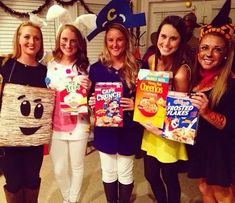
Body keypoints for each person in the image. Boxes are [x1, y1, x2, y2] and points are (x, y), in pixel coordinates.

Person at [88, 23, 144, 203]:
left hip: (129, 129)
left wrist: (136, 104)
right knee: (108, 170)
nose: (115, 44)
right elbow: (90, 97)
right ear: (106, 42)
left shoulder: (138, 67)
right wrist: (91, 102)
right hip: (105, 129)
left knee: (126, 171)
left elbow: (151, 100)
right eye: (110, 40)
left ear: (126, 41)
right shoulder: (96, 68)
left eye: (119, 39)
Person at [188, 0, 235, 202]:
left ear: (225, 54)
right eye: (205, 47)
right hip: (202, 145)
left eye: (217, 49)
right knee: (204, 187)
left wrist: (206, 112)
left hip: (221, 150)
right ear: (198, 50)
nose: (208, 54)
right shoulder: (195, 79)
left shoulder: (230, 83)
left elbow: (231, 124)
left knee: (223, 194)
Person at [140, 15, 191, 203]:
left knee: (170, 177)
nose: (166, 43)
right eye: (163, 36)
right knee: (150, 175)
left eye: (173, 38)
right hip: (149, 128)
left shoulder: (181, 71)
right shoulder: (151, 59)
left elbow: (181, 113)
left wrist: (161, 130)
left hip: (167, 133)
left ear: (181, 41)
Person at [0, 21, 47, 203]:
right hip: (9, 141)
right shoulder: (5, 66)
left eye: (36, 38)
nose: (31, 41)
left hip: (34, 140)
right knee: (13, 183)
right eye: (26, 36)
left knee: (32, 181)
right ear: (18, 39)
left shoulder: (45, 71)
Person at [45, 24, 91, 203]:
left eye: (73, 40)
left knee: (77, 166)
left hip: (78, 124)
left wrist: (88, 87)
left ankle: (72, 200)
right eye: (64, 39)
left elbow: (88, 97)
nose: (68, 44)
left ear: (79, 43)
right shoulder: (50, 64)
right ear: (59, 40)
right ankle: (67, 196)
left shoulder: (84, 67)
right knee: (59, 169)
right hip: (55, 124)